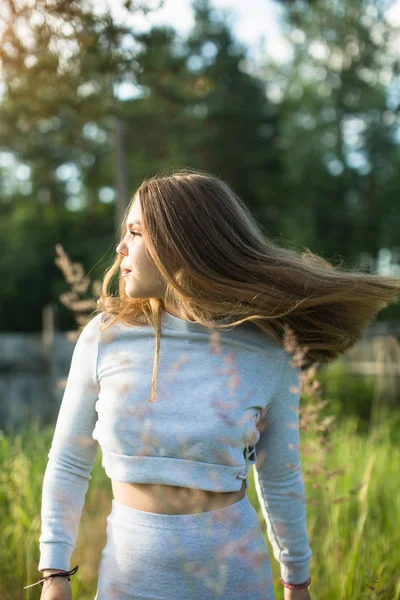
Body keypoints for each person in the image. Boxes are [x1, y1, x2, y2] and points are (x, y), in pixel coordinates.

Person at [30, 168, 400, 599]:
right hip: (126, 587)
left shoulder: (268, 351)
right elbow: (69, 461)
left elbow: (279, 477)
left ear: (180, 243)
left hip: (236, 585)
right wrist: (54, 573)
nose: (121, 247)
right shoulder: (105, 336)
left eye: (135, 232)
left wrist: (297, 580)